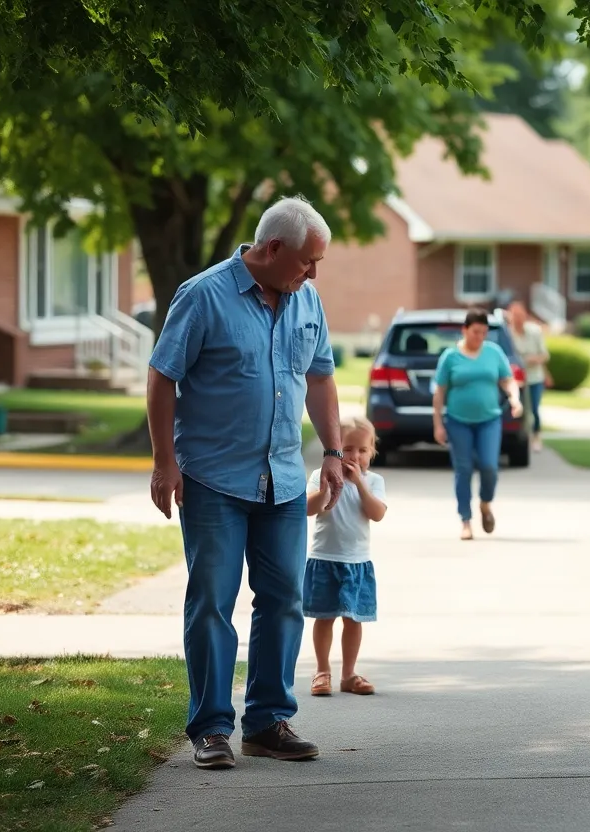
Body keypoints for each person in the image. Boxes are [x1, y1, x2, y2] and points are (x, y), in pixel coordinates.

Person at [147, 196, 344, 770]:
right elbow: (162, 377)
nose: (314, 272)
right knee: (212, 601)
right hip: (213, 478)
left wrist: (331, 451)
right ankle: (210, 728)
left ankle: (266, 722)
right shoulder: (203, 295)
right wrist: (165, 462)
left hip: (282, 480)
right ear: (273, 249)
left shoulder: (307, 300)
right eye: (309, 260)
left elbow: (321, 378)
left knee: (284, 599)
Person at [305, 416, 388, 697]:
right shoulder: (319, 476)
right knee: (324, 617)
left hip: (357, 562)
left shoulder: (374, 481)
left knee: (354, 619)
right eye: (348, 449)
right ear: (335, 448)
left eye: (362, 451)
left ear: (372, 452)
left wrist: (360, 485)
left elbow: (376, 513)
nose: (355, 456)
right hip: (325, 558)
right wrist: (329, 485)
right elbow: (309, 508)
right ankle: (321, 670)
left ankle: (349, 674)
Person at [432, 307, 524, 540]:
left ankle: (485, 503)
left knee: (489, 466)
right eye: (475, 332)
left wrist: (515, 399)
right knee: (463, 469)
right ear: (464, 330)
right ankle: (466, 520)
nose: (480, 337)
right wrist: (438, 424)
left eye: (484, 333)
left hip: (489, 420)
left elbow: (508, 380)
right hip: (458, 421)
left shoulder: (494, 352)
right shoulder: (450, 357)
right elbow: (439, 392)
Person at [506, 301, 551, 453]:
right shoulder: (507, 334)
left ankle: (536, 435)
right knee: (518, 410)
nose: (518, 319)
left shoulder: (535, 332)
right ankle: (521, 437)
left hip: (534, 378)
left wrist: (533, 360)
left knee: (534, 408)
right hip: (515, 380)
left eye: (520, 315)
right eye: (515, 315)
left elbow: (544, 355)